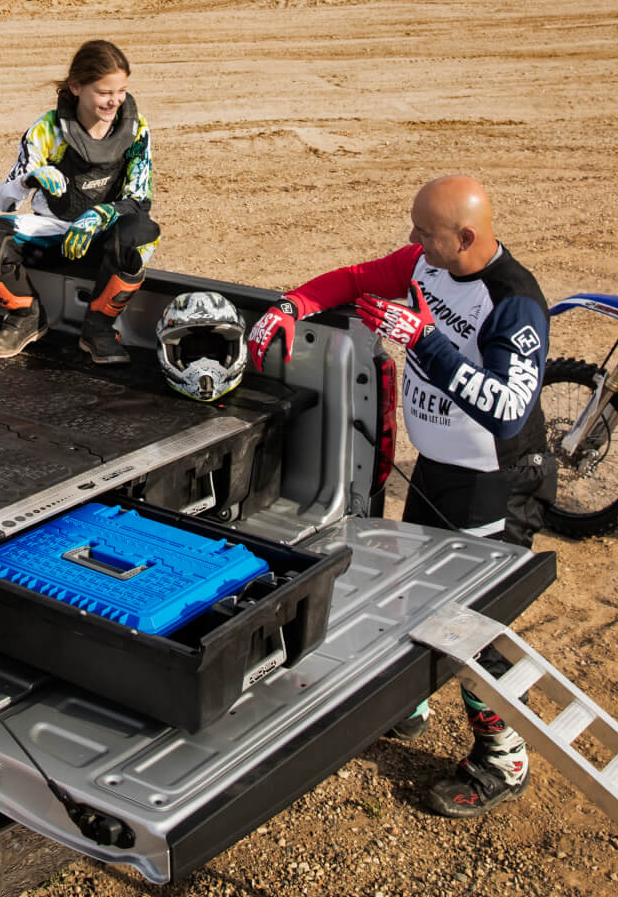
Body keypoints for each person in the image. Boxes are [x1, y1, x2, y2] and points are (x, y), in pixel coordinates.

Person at [246, 174, 553, 819]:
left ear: (465, 237)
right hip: (440, 467)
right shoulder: (425, 264)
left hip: (491, 481)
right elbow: (359, 278)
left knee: (471, 621)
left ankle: (505, 754)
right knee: (412, 591)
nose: (412, 241)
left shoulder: (516, 302)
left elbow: (507, 406)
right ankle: (408, 701)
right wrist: (293, 305)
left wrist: (425, 342)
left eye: (425, 232)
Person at [0, 39, 158, 366]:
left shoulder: (135, 129)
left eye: (121, 91)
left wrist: (104, 213)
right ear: (76, 87)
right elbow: (6, 202)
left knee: (141, 233)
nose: (115, 101)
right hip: (53, 226)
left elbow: (140, 199)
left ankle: (98, 329)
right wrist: (30, 179)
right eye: (104, 92)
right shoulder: (47, 130)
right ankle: (26, 317)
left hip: (104, 230)